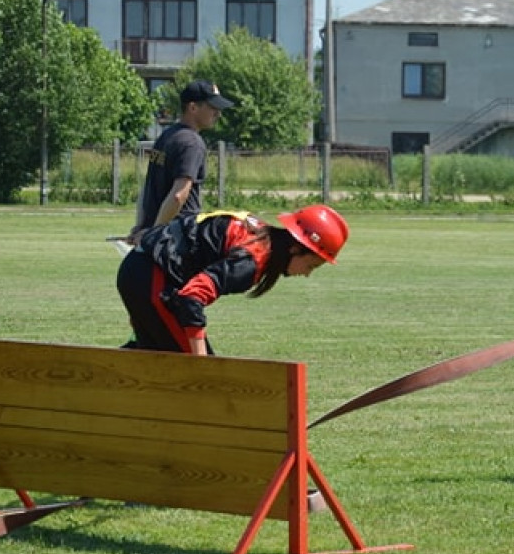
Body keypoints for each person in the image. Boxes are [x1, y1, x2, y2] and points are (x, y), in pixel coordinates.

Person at [117, 205, 349, 354]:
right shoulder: (253, 259)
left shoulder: (261, 238)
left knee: (151, 359)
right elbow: (191, 297)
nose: (307, 274)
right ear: (295, 249)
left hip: (142, 272)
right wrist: (201, 362)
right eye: (311, 265)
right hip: (150, 277)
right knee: (198, 379)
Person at [126, 79, 234, 245]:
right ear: (192, 108)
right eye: (212, 107)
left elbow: (147, 188)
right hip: (176, 239)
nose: (218, 113)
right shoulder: (192, 143)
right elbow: (178, 196)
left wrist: (142, 226)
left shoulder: (167, 136)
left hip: (155, 233)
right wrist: (153, 234)